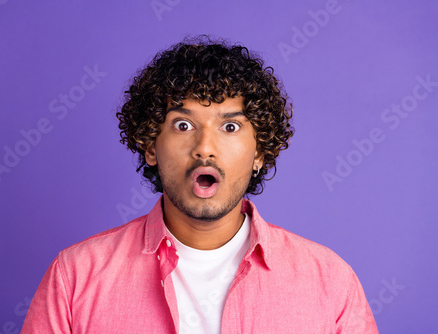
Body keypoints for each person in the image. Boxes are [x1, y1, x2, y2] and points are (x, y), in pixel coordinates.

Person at [21, 36, 378, 333]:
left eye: (230, 127)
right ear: (150, 146)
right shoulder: (75, 277)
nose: (205, 147)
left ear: (259, 153)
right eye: (183, 125)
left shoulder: (330, 281)